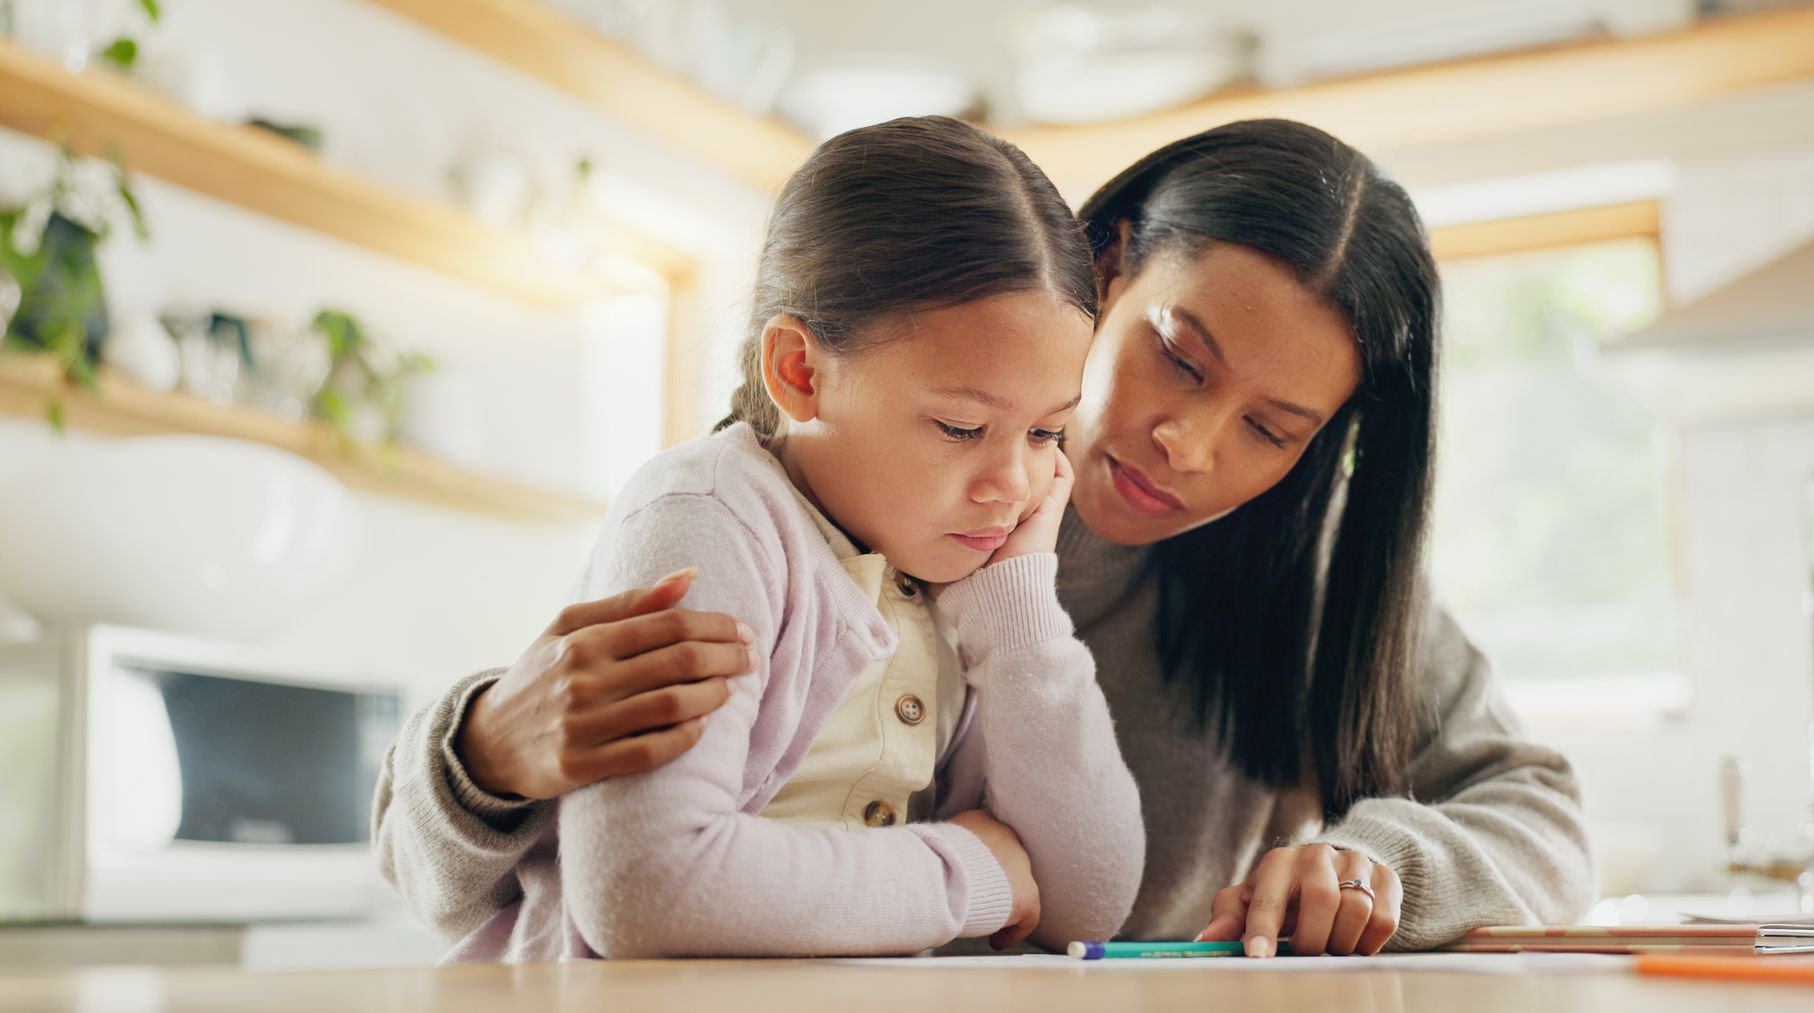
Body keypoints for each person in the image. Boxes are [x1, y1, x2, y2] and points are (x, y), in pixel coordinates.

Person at [375, 119, 1593, 961]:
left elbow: (1538, 809)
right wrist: (480, 753)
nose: (1189, 443)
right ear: (1106, 264)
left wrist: (1382, 862)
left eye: (1272, 429)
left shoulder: (1304, 577)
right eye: (1178, 355)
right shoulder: (844, 494)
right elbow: (537, 868)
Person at [418, 115, 1143, 962]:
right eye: (958, 426)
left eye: (1047, 434)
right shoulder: (711, 513)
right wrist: (969, 871)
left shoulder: (961, 573)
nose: (1012, 485)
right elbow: (648, 889)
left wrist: (1019, 609)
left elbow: (1087, 902)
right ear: (800, 372)